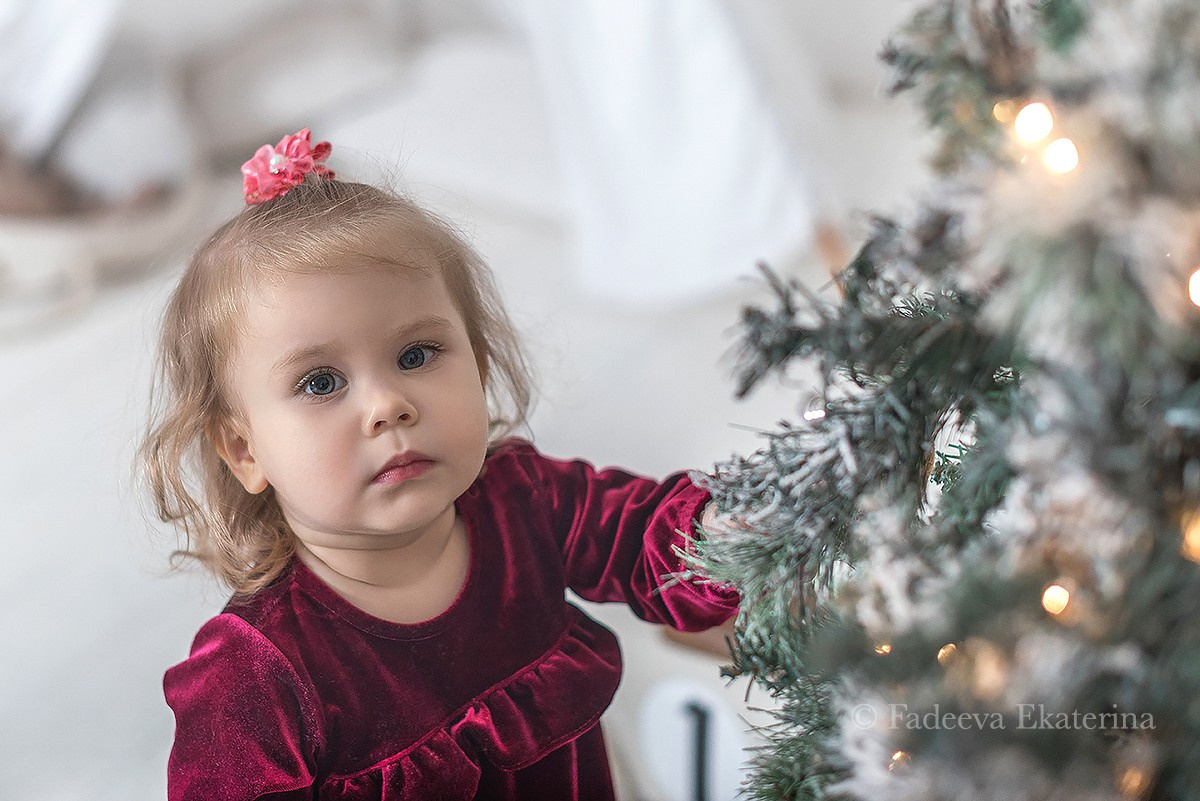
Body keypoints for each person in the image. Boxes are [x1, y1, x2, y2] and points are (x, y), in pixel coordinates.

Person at [141, 129, 740, 801]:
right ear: (246, 449)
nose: (387, 405)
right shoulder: (255, 673)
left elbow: (649, 535)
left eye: (417, 355)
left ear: (479, 369)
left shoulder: (525, 502)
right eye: (320, 383)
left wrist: (735, 528)